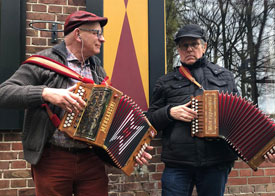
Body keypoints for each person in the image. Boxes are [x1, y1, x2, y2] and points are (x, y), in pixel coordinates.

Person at [0, 10, 152, 196]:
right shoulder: (43, 62)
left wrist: (132, 147)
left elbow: (109, 120)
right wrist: (46, 93)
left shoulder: (98, 71)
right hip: (53, 158)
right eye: (97, 33)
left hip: (91, 160)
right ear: (78, 34)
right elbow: (4, 92)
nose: (102, 39)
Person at [147, 24, 239, 196]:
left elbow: (239, 116)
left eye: (194, 44)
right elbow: (149, 119)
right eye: (184, 45)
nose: (189, 49)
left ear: (204, 47)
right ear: (178, 50)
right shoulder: (166, 81)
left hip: (216, 161)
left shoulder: (225, 76)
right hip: (178, 164)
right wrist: (169, 112)